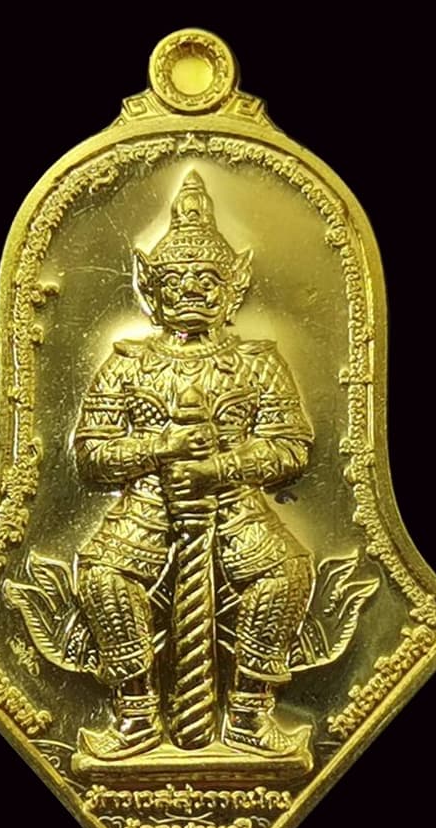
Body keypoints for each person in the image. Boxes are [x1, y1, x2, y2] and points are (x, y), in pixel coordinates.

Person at [73, 171, 314, 760]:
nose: (191, 291)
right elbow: (91, 452)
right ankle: (136, 714)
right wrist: (159, 450)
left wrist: (223, 468)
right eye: (175, 281)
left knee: (286, 573)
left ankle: (249, 713)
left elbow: (291, 446)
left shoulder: (258, 362)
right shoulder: (127, 362)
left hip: (234, 502)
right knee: (102, 576)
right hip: (148, 504)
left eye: (207, 280)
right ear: (151, 290)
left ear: (234, 288)